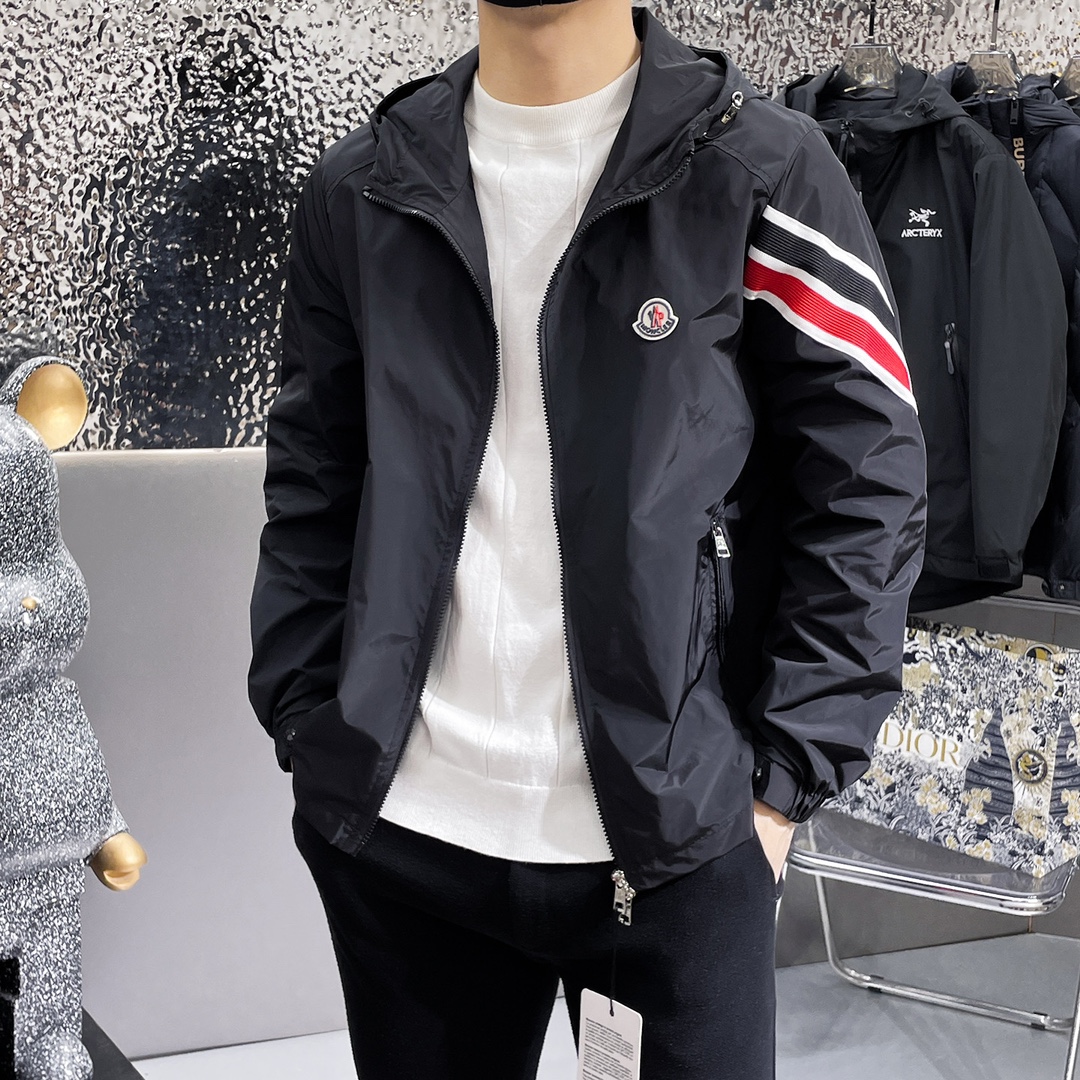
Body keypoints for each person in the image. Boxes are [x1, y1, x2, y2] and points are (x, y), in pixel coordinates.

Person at [248, 2, 927, 1078]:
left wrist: (782, 778)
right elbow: (315, 476)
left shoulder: (759, 171)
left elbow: (868, 480)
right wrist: (308, 716)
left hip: (675, 840)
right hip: (405, 836)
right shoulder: (362, 186)